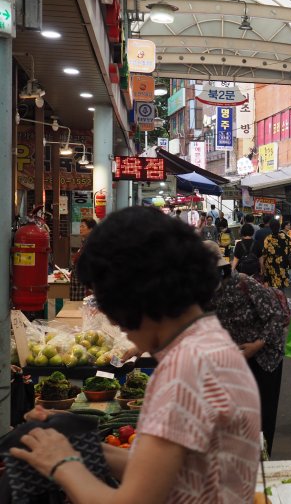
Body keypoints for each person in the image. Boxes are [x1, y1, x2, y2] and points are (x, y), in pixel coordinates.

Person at [10, 207, 261, 502]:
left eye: (108, 300)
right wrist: (73, 441)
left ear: (134, 290)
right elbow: (157, 473)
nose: (113, 320)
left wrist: (62, 464)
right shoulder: (208, 345)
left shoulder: (186, 370)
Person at [204, 241, 287, 458]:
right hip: (236, 360)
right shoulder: (204, 293)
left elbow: (276, 316)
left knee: (263, 414)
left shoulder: (244, 284)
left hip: (266, 358)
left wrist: (257, 345)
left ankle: (263, 461)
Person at [69, 218, 97, 301]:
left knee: (81, 309)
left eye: (83, 226)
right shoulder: (85, 243)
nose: (80, 229)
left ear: (91, 229)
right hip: (78, 283)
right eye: (80, 226)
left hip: (84, 286)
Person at [261, 218, 291, 290]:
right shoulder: (286, 237)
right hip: (283, 264)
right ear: (279, 226)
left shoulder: (268, 239)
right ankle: (282, 299)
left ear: (270, 227)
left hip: (271, 266)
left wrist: (262, 267)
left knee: (272, 287)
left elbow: (264, 254)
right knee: (281, 287)